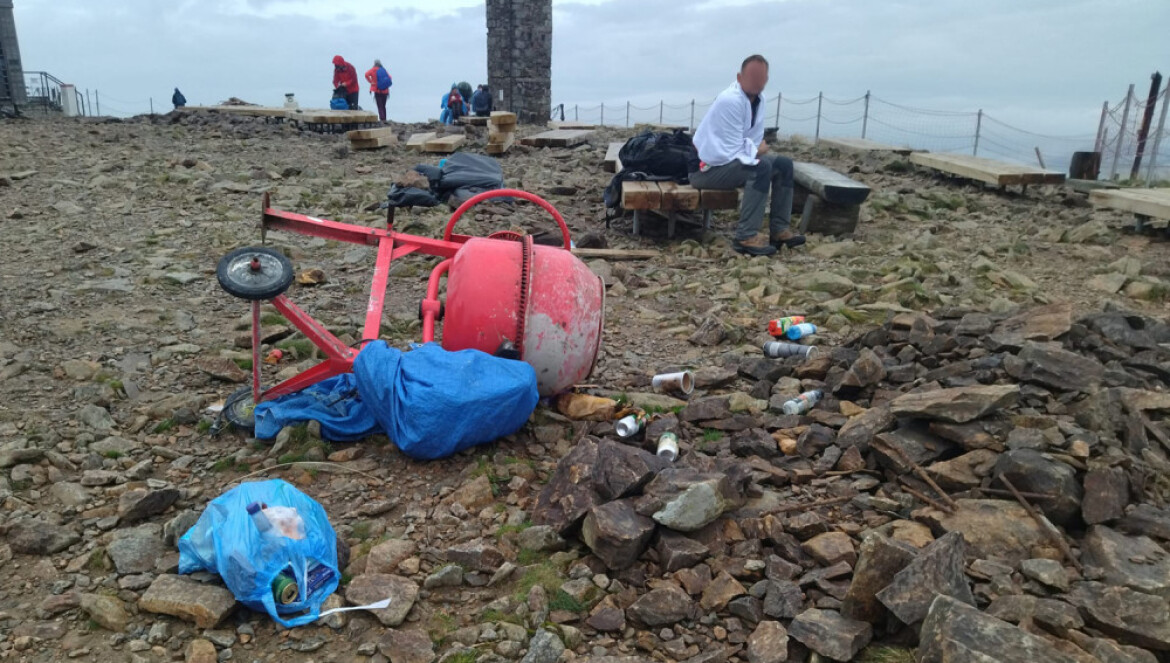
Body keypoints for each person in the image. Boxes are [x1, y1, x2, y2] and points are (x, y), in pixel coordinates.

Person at [690, 55, 805, 256]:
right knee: (760, 169)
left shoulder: (758, 101)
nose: (756, 81)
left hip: (728, 163)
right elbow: (733, 149)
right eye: (751, 76)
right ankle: (745, 236)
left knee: (784, 165)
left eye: (760, 77)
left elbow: (749, 141)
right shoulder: (730, 100)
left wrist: (755, 148)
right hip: (705, 169)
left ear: (766, 79)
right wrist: (757, 150)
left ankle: (779, 230)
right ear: (739, 77)